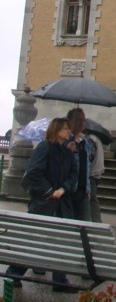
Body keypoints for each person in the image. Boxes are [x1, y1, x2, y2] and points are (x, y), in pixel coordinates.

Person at [6, 117, 78, 292]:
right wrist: (49, 191)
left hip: (61, 202)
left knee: (60, 241)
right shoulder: (45, 147)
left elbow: (73, 174)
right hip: (44, 202)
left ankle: (59, 280)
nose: (68, 131)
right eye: (65, 128)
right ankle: (14, 273)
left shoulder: (68, 151)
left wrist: (63, 188)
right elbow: (34, 172)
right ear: (56, 130)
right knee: (34, 240)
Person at [66, 108, 92, 222]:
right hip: (69, 189)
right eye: (78, 120)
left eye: (83, 120)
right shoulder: (65, 140)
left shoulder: (85, 142)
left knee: (84, 224)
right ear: (70, 121)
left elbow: (87, 166)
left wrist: (88, 189)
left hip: (82, 190)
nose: (81, 123)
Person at [85, 131, 105, 222]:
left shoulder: (90, 138)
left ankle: (97, 222)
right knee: (92, 199)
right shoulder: (96, 138)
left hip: (91, 173)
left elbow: (90, 156)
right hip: (97, 172)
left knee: (92, 199)